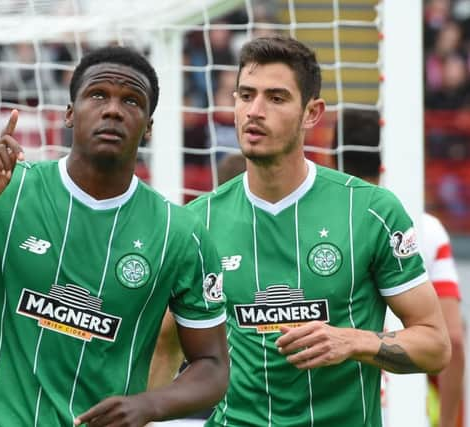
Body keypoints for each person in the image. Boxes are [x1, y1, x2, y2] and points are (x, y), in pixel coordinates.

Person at [0, 46, 229, 427]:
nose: (112, 109)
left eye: (132, 100)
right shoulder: (3, 191)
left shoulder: (180, 232)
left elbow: (212, 366)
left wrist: (149, 406)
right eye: (97, 95)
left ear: (149, 125)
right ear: (70, 113)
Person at [149, 35, 451, 426]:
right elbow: (165, 344)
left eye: (276, 98)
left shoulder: (371, 212)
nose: (254, 111)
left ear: (312, 113)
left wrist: (353, 341)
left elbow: (436, 345)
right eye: (245, 95)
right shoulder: (197, 222)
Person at [334, 108, 465, 427]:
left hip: (339, 407)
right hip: (412, 411)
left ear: (332, 154)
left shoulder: (317, 225)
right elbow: (454, 340)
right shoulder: (425, 227)